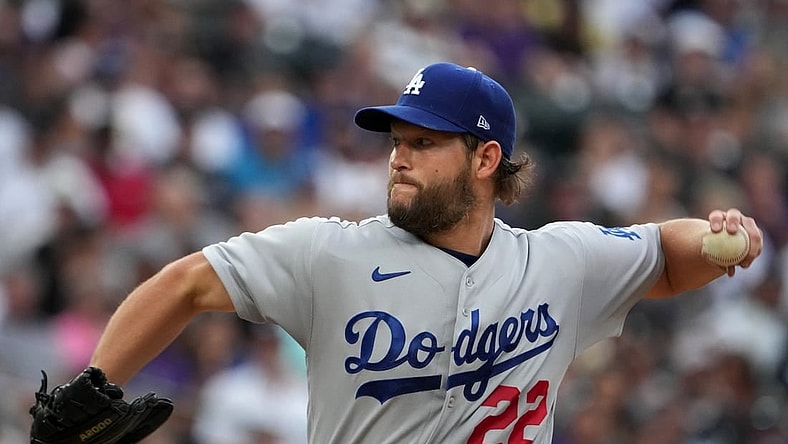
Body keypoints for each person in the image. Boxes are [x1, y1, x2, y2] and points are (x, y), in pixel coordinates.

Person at [83, 62, 763, 443]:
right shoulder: (329, 254)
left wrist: (716, 234)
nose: (399, 159)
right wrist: (91, 390)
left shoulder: (559, 262)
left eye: (424, 143)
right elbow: (184, 284)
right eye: (397, 141)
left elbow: (665, 256)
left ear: (485, 158)